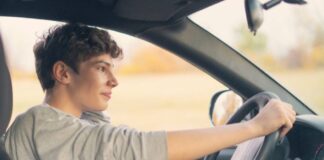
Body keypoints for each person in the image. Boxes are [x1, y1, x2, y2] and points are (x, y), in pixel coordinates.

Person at [4, 23, 296, 160]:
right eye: (102, 68)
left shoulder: (85, 122)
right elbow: (135, 147)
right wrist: (254, 127)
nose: (114, 81)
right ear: (63, 73)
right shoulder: (39, 123)